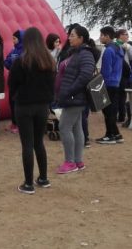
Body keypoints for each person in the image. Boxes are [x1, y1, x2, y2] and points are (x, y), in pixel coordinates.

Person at [8, 27, 55, 194]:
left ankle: (28, 184)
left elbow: (12, 84)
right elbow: (52, 86)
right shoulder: (49, 61)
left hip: (24, 106)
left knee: (27, 144)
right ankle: (43, 178)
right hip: (42, 106)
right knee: (38, 143)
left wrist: (16, 97)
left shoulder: (21, 62)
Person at [55, 25, 96, 174]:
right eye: (69, 35)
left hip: (74, 97)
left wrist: (70, 90)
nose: (69, 38)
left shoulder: (85, 54)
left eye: (72, 35)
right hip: (72, 97)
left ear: (81, 38)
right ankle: (78, 161)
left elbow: (85, 76)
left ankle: (70, 162)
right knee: (76, 128)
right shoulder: (75, 53)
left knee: (64, 127)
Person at [96, 26, 124, 145]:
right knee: (111, 110)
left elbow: (106, 70)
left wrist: (100, 82)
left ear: (107, 36)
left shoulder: (108, 50)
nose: (100, 37)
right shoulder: (119, 48)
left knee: (107, 111)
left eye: (101, 35)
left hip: (108, 83)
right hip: (116, 82)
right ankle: (116, 134)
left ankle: (110, 135)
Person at [4, 30, 25, 134]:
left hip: (21, 83)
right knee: (11, 102)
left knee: (18, 104)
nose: (13, 41)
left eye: (15, 38)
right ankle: (14, 122)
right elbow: (6, 61)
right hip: (12, 80)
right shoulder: (14, 50)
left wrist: (13, 65)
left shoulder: (25, 51)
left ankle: (20, 124)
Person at [115, 28, 132, 123]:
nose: (127, 36)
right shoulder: (115, 45)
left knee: (122, 95)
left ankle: (122, 115)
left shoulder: (127, 46)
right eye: (125, 34)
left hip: (125, 74)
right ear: (120, 36)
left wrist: (129, 48)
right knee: (117, 95)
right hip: (117, 73)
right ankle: (117, 114)